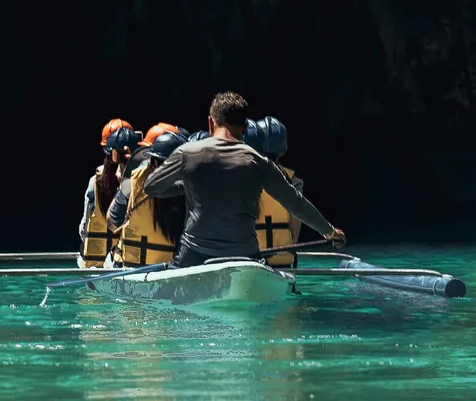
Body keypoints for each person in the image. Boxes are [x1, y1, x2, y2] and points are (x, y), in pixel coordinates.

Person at [143, 91, 344, 269]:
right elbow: (295, 204)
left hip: (195, 252)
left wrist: (187, 187)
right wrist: (329, 231)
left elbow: (152, 187)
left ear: (211, 122)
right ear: (246, 127)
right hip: (244, 253)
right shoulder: (259, 161)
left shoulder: (187, 153)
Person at [115, 129, 189, 267]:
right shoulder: (189, 187)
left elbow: (115, 218)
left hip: (130, 268)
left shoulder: (131, 180)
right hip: (169, 272)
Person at [107, 122, 186, 236]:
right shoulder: (191, 183)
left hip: (137, 253)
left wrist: (123, 183)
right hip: (177, 254)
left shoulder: (133, 180)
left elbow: (112, 223)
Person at [79, 120, 139, 267]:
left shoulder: (95, 182)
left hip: (98, 262)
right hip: (133, 260)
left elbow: (83, 229)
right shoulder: (141, 181)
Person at [245, 116, 300, 267]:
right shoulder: (293, 181)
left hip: (249, 260)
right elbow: (294, 234)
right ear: (282, 151)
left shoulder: (241, 179)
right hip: (283, 260)